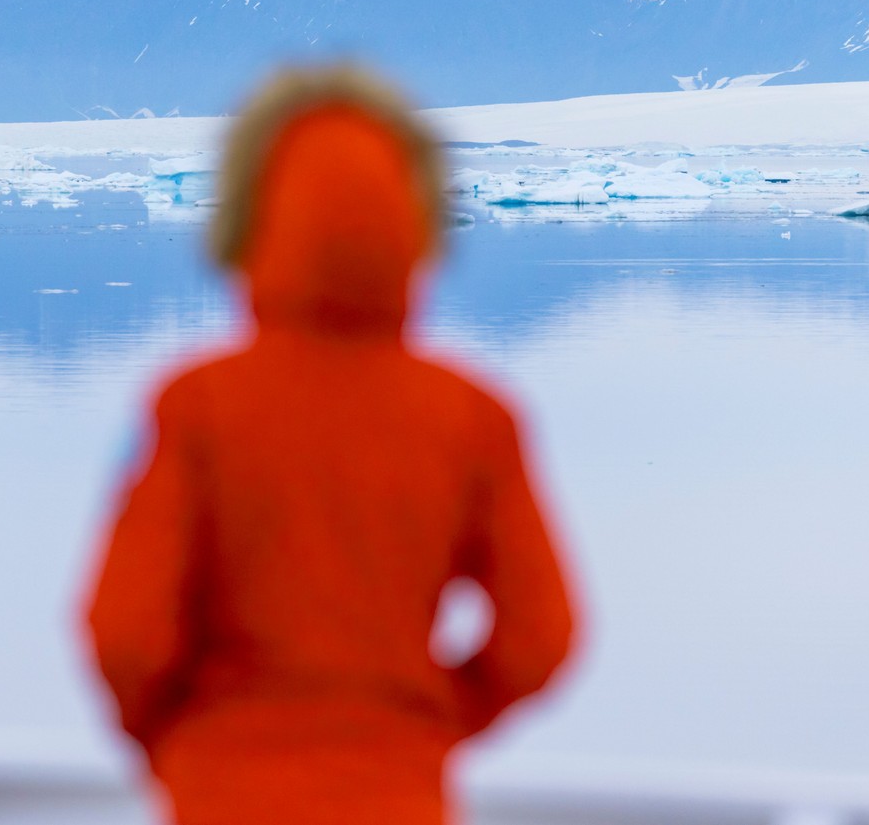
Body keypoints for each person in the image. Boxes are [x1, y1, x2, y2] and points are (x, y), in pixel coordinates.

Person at [83, 64, 577, 825]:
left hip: (222, 795)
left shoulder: (194, 406)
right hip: (399, 797)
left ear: (250, 210)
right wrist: (420, 720)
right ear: (419, 213)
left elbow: (123, 632)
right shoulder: (475, 416)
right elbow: (542, 633)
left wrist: (187, 736)